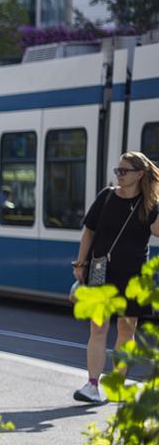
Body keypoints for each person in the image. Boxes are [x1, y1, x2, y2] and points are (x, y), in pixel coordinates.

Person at [72, 151, 159, 404]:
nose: (119, 175)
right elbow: (89, 232)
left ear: (139, 174)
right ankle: (92, 384)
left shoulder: (150, 204)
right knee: (98, 327)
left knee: (126, 330)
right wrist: (81, 263)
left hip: (133, 276)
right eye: (117, 170)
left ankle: (117, 384)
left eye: (124, 171)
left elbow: (157, 231)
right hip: (101, 272)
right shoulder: (107, 196)